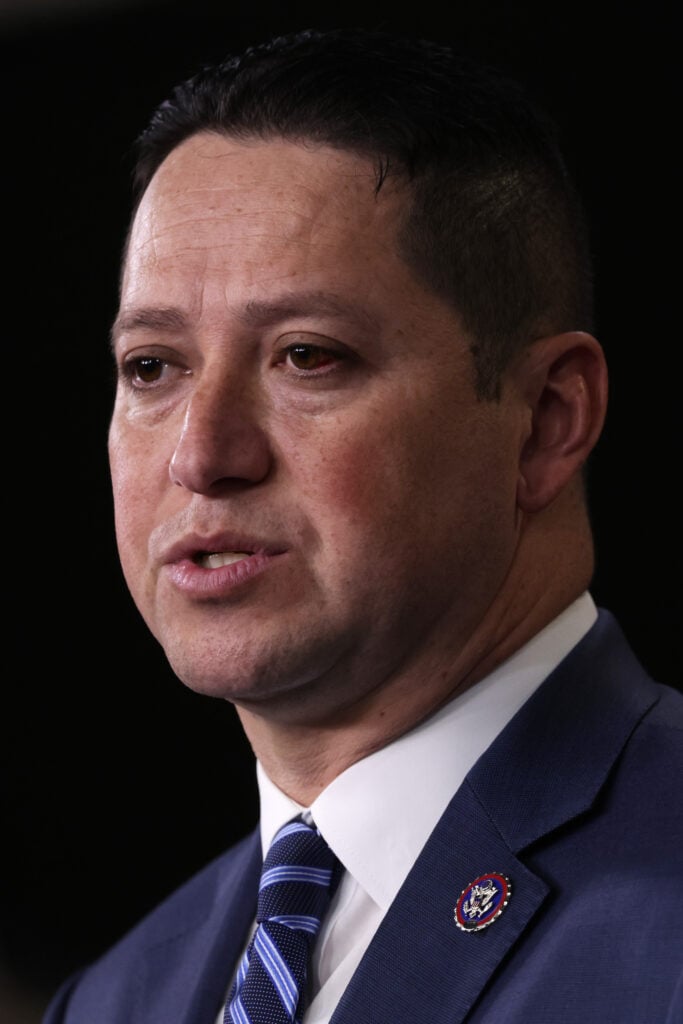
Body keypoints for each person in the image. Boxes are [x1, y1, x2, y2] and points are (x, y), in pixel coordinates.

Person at [43, 26, 682, 1024]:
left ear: (548, 421)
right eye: (152, 367)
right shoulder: (116, 999)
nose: (201, 454)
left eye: (306, 356)